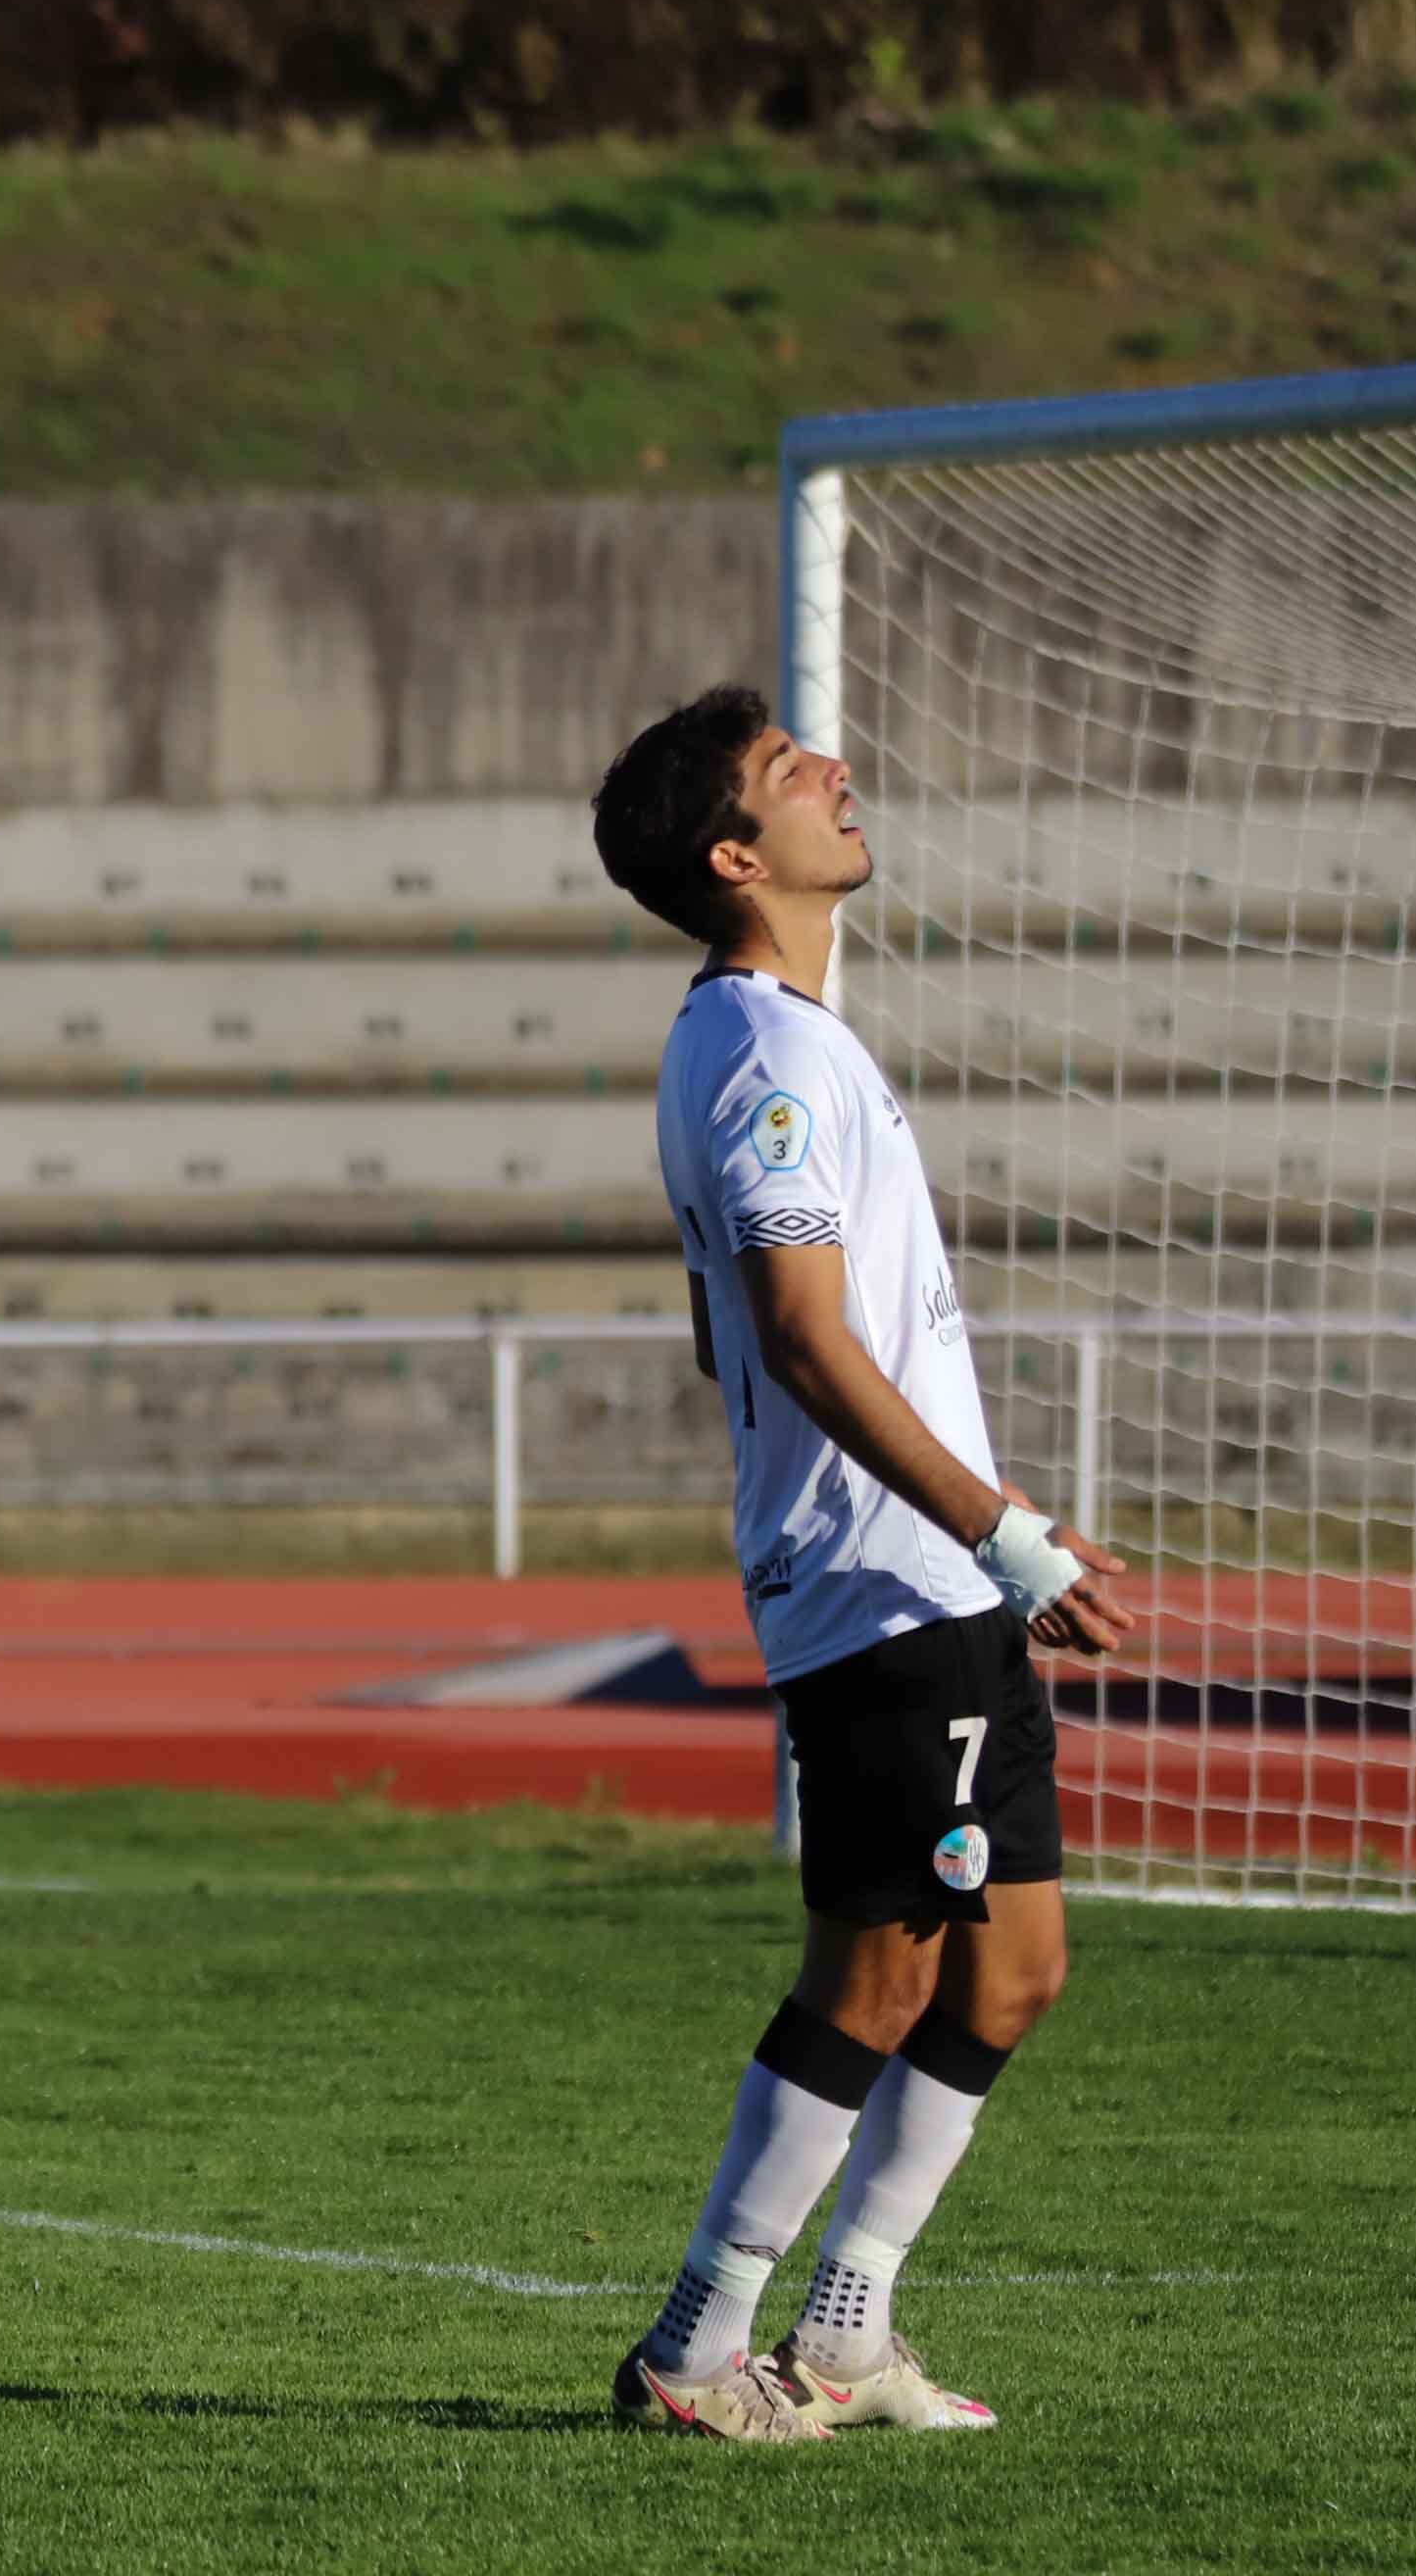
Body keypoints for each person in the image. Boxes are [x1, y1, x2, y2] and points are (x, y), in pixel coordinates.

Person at [587, 688, 1141, 2441]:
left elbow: (737, 1335)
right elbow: (799, 1335)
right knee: (883, 1969)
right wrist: (991, 1524)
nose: (834, 771)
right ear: (735, 856)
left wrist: (981, 1511)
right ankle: (695, 2350)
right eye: (785, 773)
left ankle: (845, 2331)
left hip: (933, 1572)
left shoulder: (777, 1033)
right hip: (886, 1588)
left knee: (1012, 1970)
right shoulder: (766, 1053)